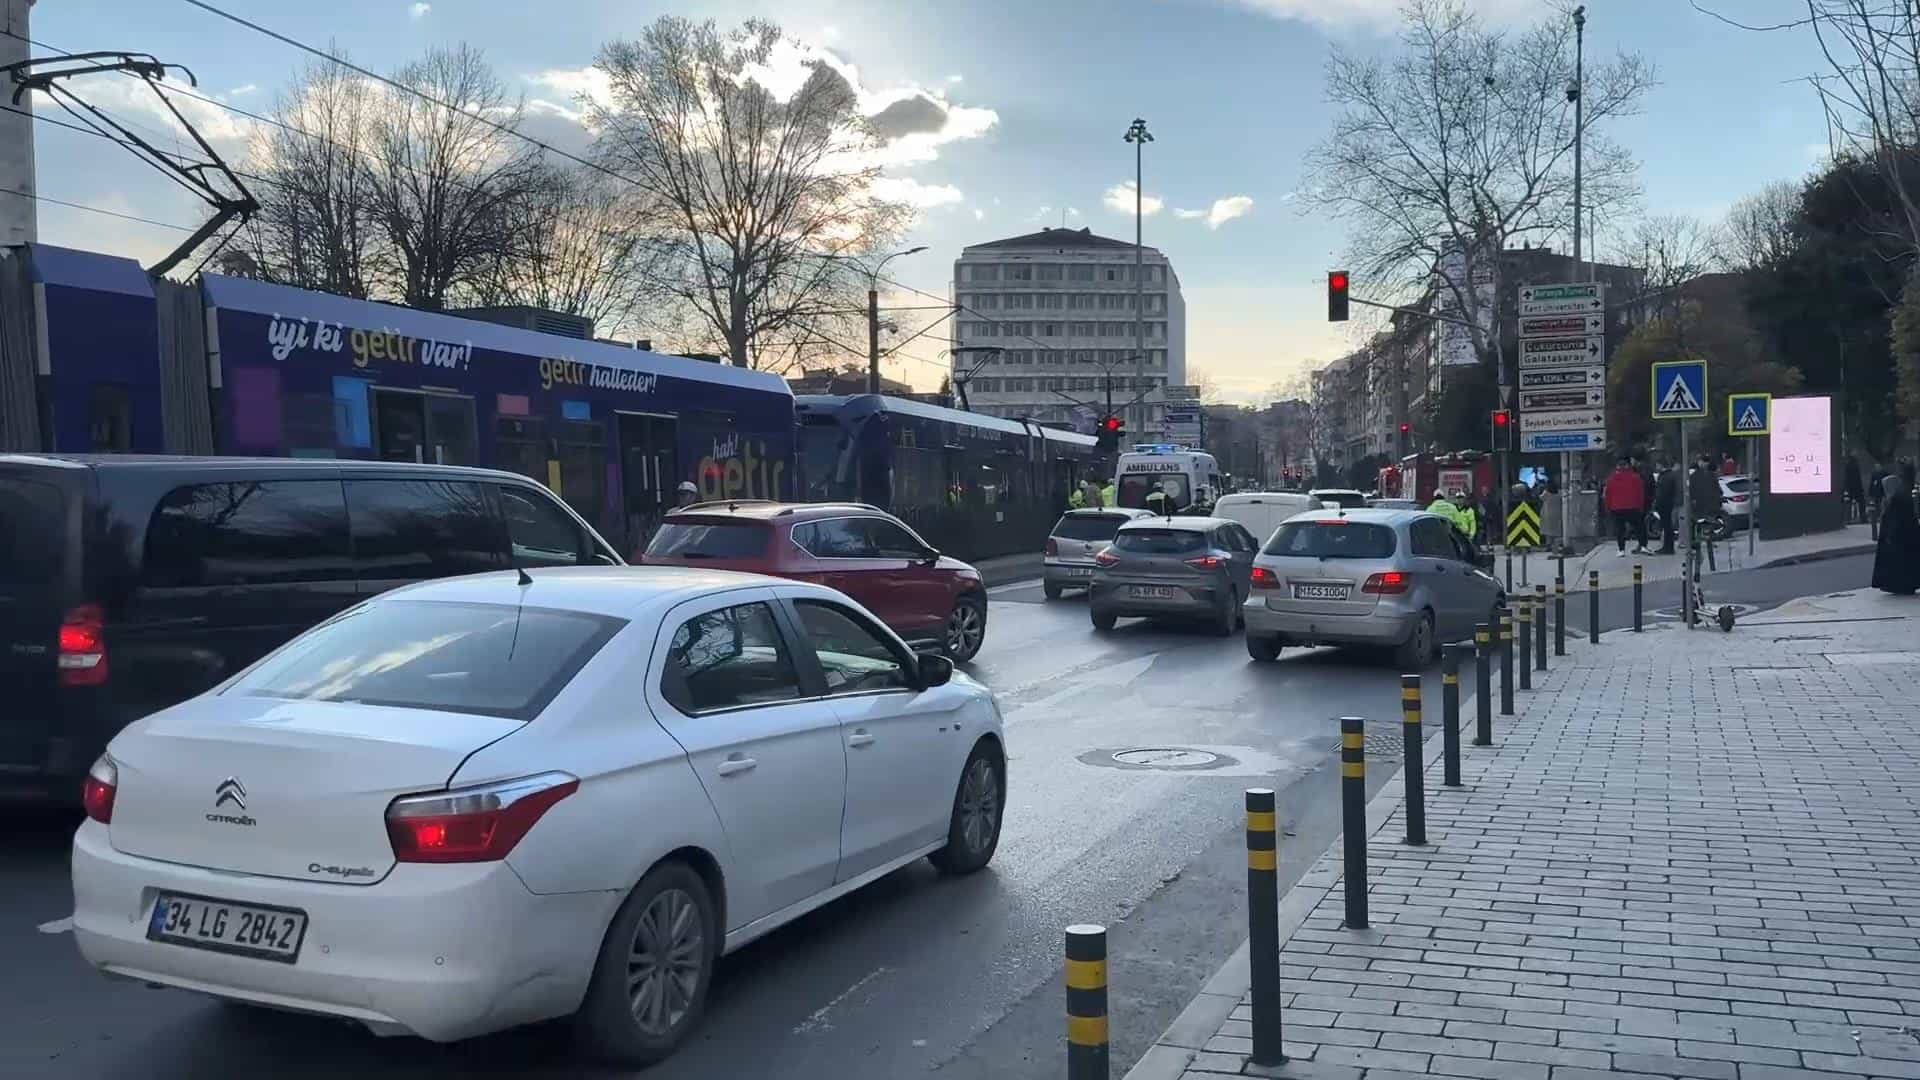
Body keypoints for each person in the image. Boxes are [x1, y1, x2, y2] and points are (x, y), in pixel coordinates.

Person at [1871, 474, 1920, 595]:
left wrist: (1890, 534)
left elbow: (1897, 520)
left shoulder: (1898, 500)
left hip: (1900, 539)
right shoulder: (1899, 498)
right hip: (1904, 539)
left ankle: (1900, 585)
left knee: (1901, 565)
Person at [1603, 457, 1647, 557]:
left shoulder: (1611, 478)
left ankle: (1621, 550)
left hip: (1617, 508)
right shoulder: (1635, 477)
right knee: (1639, 526)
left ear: (1617, 467)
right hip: (1633, 507)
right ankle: (1643, 546)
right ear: (1627, 466)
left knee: (1620, 529)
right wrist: (1641, 506)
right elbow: (1640, 493)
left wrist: (1608, 507)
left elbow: (1608, 495)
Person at [1688, 454, 1721, 543]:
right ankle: (1700, 540)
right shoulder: (1696, 475)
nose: (1703, 464)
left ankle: (1706, 540)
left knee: (1706, 523)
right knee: (1699, 522)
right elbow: (1692, 489)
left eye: (1705, 462)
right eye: (1702, 462)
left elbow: (1716, 488)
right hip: (1701, 504)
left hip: (1707, 504)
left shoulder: (1709, 475)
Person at [1653, 459, 1680, 554]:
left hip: (1665, 504)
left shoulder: (1666, 476)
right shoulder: (1668, 475)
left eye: (1657, 465)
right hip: (1666, 504)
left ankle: (1668, 548)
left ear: (1661, 465)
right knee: (1666, 526)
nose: (1656, 468)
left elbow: (1664, 492)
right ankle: (1667, 547)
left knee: (1667, 526)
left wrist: (1658, 502)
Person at [1844, 455, 1865, 524]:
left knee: (1848, 504)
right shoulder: (1856, 467)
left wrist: (1846, 488)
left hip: (1849, 488)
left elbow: (1846, 479)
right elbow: (1858, 479)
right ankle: (1862, 518)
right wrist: (1861, 489)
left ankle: (1848, 519)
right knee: (1861, 503)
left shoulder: (1847, 467)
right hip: (1857, 488)